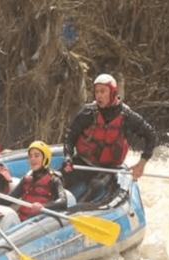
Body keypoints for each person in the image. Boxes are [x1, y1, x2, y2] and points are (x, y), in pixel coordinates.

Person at [62, 73, 157, 202]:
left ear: (113, 93)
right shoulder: (87, 113)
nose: (99, 95)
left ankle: (76, 211)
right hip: (83, 162)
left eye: (103, 91)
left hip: (107, 168)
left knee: (96, 186)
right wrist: (68, 157)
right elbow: (70, 138)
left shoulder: (127, 116)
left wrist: (142, 163)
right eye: (96, 92)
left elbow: (150, 135)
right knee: (56, 179)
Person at [0, 141, 67, 221]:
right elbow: (9, 199)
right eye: (30, 156)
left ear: (45, 158)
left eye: (36, 156)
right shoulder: (26, 179)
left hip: (41, 222)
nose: (32, 159)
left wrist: (44, 206)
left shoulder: (54, 180)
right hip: (23, 223)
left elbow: (63, 201)